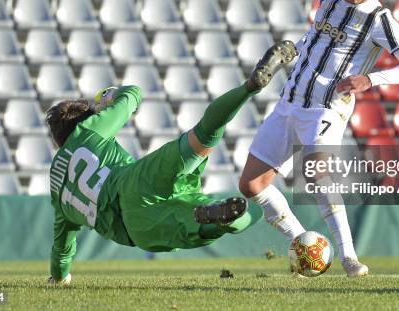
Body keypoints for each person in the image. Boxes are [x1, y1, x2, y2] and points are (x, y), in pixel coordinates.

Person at [238, 0, 399, 277]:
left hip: (325, 109)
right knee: (250, 185)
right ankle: (304, 243)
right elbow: (317, 39)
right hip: (290, 101)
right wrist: (293, 53)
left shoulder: (379, 19)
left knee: (317, 174)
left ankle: (349, 257)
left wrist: (371, 79)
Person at [46, 41, 298, 285]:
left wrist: (60, 276)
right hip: (134, 181)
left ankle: (218, 218)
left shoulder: (57, 187)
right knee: (205, 133)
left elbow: (62, 246)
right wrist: (108, 97)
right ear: (84, 121)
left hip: (137, 229)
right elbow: (133, 94)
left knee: (231, 218)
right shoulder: (87, 131)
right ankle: (250, 87)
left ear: (58, 141)